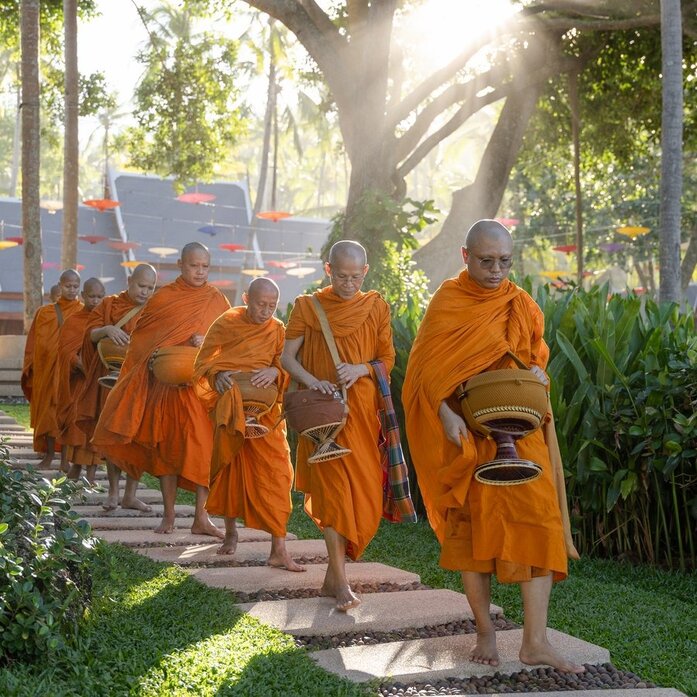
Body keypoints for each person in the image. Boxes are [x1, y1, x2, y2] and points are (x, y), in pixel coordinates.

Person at [402, 219, 583, 673]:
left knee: (540, 522)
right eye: (486, 261)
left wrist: (539, 373)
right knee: (474, 533)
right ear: (466, 257)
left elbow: (534, 353)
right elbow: (424, 371)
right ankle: (485, 631)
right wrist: (443, 412)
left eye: (505, 261)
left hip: (522, 431)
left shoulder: (519, 303)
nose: (496, 270)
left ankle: (535, 641)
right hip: (471, 432)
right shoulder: (449, 302)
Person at [282, 240, 415, 611]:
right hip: (321, 418)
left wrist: (361, 369)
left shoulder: (375, 307)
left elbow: (387, 359)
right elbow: (286, 358)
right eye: (342, 276)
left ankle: (331, 577)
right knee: (334, 494)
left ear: (366, 271)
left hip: (361, 413)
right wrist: (312, 381)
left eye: (356, 276)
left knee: (366, 496)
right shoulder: (309, 307)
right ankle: (341, 583)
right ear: (328, 269)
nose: (349, 283)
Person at [92, 243, 230, 536]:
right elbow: (141, 343)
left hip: (200, 390)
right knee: (167, 452)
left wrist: (205, 341)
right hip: (166, 389)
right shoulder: (164, 298)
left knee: (204, 451)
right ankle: (168, 515)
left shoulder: (216, 300)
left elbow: (230, 342)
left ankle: (200, 518)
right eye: (194, 265)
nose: (200, 272)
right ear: (180, 264)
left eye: (205, 266)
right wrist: (156, 357)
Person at [193, 277, 304, 571]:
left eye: (271, 305)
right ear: (245, 298)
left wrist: (274, 372)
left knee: (279, 475)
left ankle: (278, 549)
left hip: (266, 415)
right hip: (232, 409)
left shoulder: (278, 330)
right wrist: (217, 375)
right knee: (230, 470)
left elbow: (287, 364)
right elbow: (203, 361)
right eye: (260, 304)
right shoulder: (227, 322)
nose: (266, 311)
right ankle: (230, 533)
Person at [76, 264, 157, 511]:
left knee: (137, 437)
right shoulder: (109, 304)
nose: (145, 292)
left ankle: (130, 494)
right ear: (129, 280)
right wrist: (107, 329)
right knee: (113, 434)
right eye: (141, 286)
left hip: (141, 380)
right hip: (110, 379)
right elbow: (90, 335)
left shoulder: (154, 309)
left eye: (150, 288)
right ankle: (113, 492)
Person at [22, 269, 83, 469]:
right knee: (48, 414)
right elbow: (33, 343)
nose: (72, 290)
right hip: (46, 372)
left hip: (70, 374)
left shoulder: (84, 313)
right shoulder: (44, 313)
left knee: (67, 415)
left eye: (75, 286)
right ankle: (48, 456)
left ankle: (65, 460)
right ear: (60, 284)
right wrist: (31, 365)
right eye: (68, 286)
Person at [56, 277, 105, 483]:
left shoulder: (106, 321)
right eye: (91, 296)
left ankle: (91, 476)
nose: (95, 301)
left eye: (100, 297)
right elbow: (66, 351)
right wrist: (81, 366)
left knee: (95, 424)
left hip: (99, 382)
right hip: (79, 382)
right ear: (83, 296)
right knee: (78, 426)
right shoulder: (74, 321)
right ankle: (76, 467)